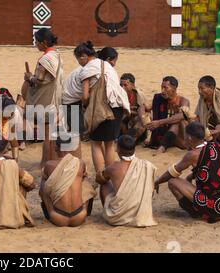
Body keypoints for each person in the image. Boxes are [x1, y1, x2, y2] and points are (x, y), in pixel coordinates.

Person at [154, 122, 220, 223]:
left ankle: (198, 213)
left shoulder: (193, 155)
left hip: (215, 207)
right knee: (189, 181)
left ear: (189, 138)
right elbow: (213, 169)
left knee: (173, 182)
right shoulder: (216, 145)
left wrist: (157, 182)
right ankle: (205, 209)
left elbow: (173, 172)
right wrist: (191, 176)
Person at [83, 43, 130, 174]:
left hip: (100, 108)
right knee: (109, 144)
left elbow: (85, 95)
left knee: (96, 143)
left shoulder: (89, 67)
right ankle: (110, 174)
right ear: (109, 59)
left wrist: (86, 106)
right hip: (117, 108)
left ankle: (100, 174)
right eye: (114, 61)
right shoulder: (110, 69)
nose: (114, 64)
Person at [22, 28, 63, 168]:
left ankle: (45, 163)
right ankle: (47, 161)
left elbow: (38, 80)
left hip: (47, 99)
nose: (36, 45)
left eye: (37, 42)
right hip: (54, 98)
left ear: (44, 43)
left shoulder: (46, 58)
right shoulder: (56, 55)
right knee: (50, 134)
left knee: (47, 135)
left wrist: (29, 78)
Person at [96, 135, 157, 227]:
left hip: (119, 217)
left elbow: (100, 180)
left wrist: (100, 174)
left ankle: (110, 214)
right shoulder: (147, 165)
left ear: (118, 150)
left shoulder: (113, 168)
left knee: (105, 184)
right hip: (141, 215)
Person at [40, 136, 96, 227]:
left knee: (43, 184)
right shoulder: (80, 163)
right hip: (80, 216)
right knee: (86, 182)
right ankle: (85, 209)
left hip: (57, 217)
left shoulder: (49, 165)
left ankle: (50, 211)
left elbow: (44, 189)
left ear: (56, 148)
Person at [147, 76, 190, 154]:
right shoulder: (158, 98)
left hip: (180, 141)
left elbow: (182, 116)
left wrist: (159, 122)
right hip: (162, 135)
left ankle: (161, 148)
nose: (163, 91)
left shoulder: (183, 101)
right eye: (162, 88)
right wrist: (145, 119)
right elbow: (143, 107)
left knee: (176, 123)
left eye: (166, 88)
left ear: (174, 89)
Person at [119, 73, 150, 143]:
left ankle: (130, 140)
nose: (122, 88)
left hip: (135, 125)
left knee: (143, 119)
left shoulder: (138, 95)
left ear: (133, 86)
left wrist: (131, 112)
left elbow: (147, 112)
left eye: (125, 85)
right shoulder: (117, 96)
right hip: (123, 125)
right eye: (120, 85)